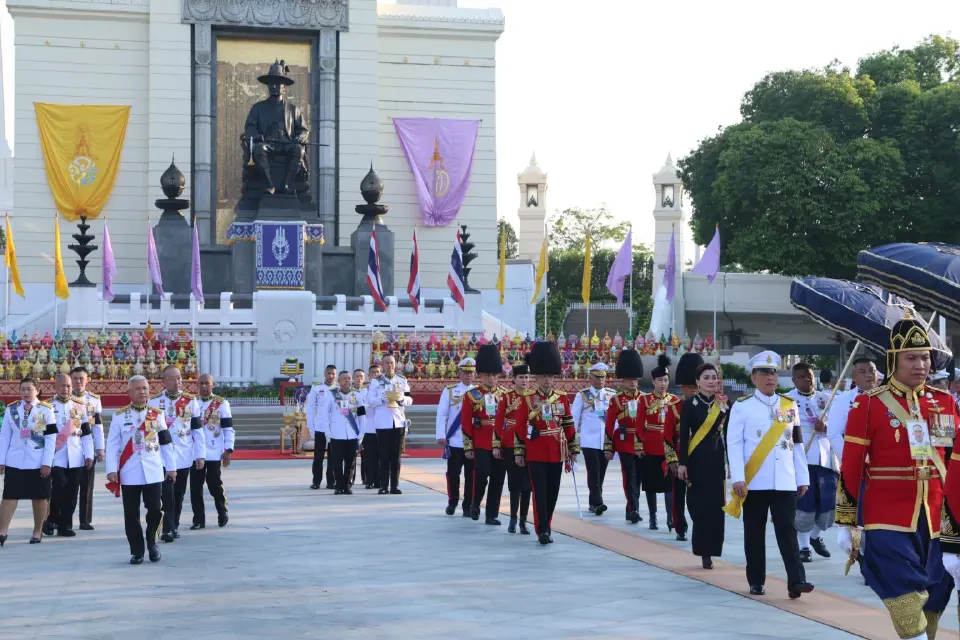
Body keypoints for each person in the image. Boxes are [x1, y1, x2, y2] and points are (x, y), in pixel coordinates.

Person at [839, 318, 957, 640]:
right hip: (887, 517)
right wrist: (846, 518)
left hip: (936, 516)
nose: (921, 365)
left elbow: (949, 458)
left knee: (936, 589)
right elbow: (850, 464)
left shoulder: (942, 402)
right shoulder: (869, 403)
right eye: (911, 358)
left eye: (925, 357)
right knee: (903, 588)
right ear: (893, 360)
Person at [725, 350, 814, 599]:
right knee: (754, 533)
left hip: (784, 480)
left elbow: (796, 443)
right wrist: (738, 478)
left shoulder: (788, 405)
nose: (770, 378)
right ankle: (756, 580)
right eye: (764, 373)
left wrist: (802, 477)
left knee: (788, 531)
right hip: (755, 481)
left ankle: (797, 581)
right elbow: (733, 444)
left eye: (773, 372)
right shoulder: (743, 407)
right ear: (754, 378)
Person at [105, 375, 177, 564]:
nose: (142, 391)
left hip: (153, 469)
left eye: (145, 388)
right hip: (129, 471)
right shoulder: (119, 416)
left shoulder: (157, 414)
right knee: (131, 513)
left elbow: (166, 443)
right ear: (129, 392)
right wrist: (111, 469)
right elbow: (112, 445)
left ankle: (152, 543)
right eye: (137, 389)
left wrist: (171, 467)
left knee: (155, 510)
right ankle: (137, 550)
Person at [513, 341, 579, 545]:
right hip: (535, 450)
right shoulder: (527, 399)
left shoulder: (562, 398)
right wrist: (519, 451)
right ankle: (542, 528)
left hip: (557, 451)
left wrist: (573, 448)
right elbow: (519, 426)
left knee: (553, 492)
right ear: (537, 377)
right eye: (543, 376)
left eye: (550, 376)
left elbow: (568, 423)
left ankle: (548, 524)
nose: (547, 380)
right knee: (539, 491)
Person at [676, 363, 729, 569]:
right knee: (698, 506)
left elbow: (732, 435)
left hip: (716, 461)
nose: (710, 381)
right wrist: (682, 463)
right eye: (706, 377)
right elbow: (683, 436)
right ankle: (701, 548)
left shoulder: (724, 404)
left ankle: (712, 550)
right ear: (698, 381)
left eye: (713, 377)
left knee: (716, 507)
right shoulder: (689, 405)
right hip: (696, 461)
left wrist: (733, 463)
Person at [786, 362, 838, 562]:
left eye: (809, 375)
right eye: (801, 377)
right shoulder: (787, 400)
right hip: (802, 458)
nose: (807, 379)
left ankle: (815, 537)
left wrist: (826, 426)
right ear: (793, 380)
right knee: (805, 505)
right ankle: (804, 546)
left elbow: (840, 425)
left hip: (826, 458)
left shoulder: (828, 398)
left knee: (826, 505)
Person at [148, 365, 203, 542]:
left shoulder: (190, 401)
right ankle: (167, 528)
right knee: (165, 493)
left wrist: (199, 455)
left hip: (183, 454)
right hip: (163, 456)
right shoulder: (154, 402)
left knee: (178, 493)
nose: (177, 381)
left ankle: (174, 524)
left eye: (179, 378)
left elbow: (197, 431)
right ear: (163, 382)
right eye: (172, 379)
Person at [0, 378, 58, 546]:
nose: (26, 392)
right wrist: (1, 459)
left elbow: (51, 438)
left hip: (37, 460)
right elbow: (4, 437)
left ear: (37, 390)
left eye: (29, 389)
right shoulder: (12, 409)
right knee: (9, 495)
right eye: (23, 389)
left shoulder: (46, 410)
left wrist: (47, 462)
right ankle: (2, 531)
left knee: (39, 497)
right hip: (15, 460)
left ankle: (37, 531)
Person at [242, 58, 308, 194]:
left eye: (277, 84)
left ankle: (288, 183)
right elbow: (250, 127)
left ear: (284, 87)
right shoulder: (258, 108)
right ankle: (269, 184)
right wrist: (257, 136)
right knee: (259, 149)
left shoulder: (293, 109)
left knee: (298, 150)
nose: (274, 87)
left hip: (287, 143)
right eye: (271, 84)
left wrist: (299, 137)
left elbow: (303, 129)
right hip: (268, 143)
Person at [44, 373, 93, 537]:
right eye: (62, 386)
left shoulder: (79, 406)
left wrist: (89, 455)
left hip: (76, 454)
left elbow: (86, 433)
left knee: (72, 491)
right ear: (55, 387)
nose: (66, 389)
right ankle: (51, 518)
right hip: (56, 456)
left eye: (68, 386)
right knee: (58, 488)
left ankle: (65, 525)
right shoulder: (47, 406)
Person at [462, 344, 507, 524]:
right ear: (481, 375)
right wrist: (468, 446)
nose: (491, 379)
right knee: (481, 475)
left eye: (494, 375)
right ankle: (475, 503)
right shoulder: (472, 395)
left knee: (497, 479)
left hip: (500, 442)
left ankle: (492, 514)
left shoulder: (504, 395)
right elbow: (466, 422)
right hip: (480, 441)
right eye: (488, 375)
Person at [604, 350, 645, 524]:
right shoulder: (616, 400)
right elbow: (610, 424)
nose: (633, 383)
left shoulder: (644, 399)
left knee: (639, 479)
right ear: (623, 380)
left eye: (635, 380)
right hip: (624, 441)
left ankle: (631, 508)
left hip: (641, 444)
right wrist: (608, 447)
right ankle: (634, 508)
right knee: (629, 477)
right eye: (630, 380)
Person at [641, 354, 680, 530]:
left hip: (669, 449)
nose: (663, 383)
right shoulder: (644, 400)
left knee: (669, 487)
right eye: (659, 380)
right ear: (653, 381)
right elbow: (639, 423)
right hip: (650, 446)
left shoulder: (674, 401)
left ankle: (671, 518)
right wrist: (639, 445)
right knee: (650, 485)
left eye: (665, 380)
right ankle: (652, 517)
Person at [190, 373, 234, 529]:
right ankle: (198, 519)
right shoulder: (192, 402)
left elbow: (228, 428)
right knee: (195, 487)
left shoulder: (221, 404)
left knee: (214, 484)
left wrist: (228, 450)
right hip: (196, 452)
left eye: (206, 383)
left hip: (214, 450)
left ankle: (222, 512)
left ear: (212, 384)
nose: (203, 386)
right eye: (200, 383)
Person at [668, 352, 704, 541]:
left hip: (701, 459)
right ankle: (679, 526)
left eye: (693, 387)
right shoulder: (674, 407)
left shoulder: (710, 407)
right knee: (678, 496)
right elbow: (667, 436)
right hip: (680, 457)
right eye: (688, 387)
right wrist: (672, 459)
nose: (691, 391)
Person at [367, 355, 413, 494]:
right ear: (382, 365)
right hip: (382, 422)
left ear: (396, 364)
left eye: (392, 363)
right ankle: (383, 485)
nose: (389, 365)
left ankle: (394, 485)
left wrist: (402, 399)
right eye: (387, 363)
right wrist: (381, 398)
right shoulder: (376, 382)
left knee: (396, 456)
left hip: (398, 421)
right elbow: (370, 400)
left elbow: (410, 399)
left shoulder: (402, 380)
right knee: (384, 456)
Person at [571, 362, 613, 516]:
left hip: (605, 441)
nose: (600, 381)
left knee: (601, 472)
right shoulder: (582, 395)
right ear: (590, 378)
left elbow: (614, 420)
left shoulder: (611, 394)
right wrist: (571, 440)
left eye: (603, 378)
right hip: (589, 440)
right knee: (593, 470)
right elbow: (574, 419)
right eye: (597, 377)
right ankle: (598, 502)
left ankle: (593, 503)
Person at [436, 357, 475, 516]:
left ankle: (468, 505)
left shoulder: (479, 392)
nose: (468, 376)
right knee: (453, 474)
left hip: (473, 441)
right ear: (459, 373)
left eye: (471, 373)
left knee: (471, 475)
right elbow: (442, 414)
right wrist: (441, 434)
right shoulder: (450, 390)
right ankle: (452, 502)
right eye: (465, 373)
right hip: (455, 439)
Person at [497, 364, 532, 534]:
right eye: (521, 377)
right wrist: (496, 444)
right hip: (510, 442)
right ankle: (512, 518)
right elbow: (498, 422)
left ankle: (524, 521)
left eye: (526, 377)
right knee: (514, 484)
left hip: (530, 443)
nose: (524, 381)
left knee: (528, 485)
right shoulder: (507, 397)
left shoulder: (534, 398)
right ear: (514, 379)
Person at [826, 357, 878, 460]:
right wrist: (849, 460)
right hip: (858, 458)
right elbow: (834, 434)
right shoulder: (843, 400)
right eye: (862, 372)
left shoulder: (889, 398)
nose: (868, 375)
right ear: (853, 377)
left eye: (872, 371)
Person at [71, 367, 103, 532]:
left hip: (87, 449)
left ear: (87, 379)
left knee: (87, 486)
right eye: (75, 378)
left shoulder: (94, 400)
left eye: (81, 378)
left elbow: (97, 426)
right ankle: (61, 519)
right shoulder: (65, 399)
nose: (78, 381)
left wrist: (100, 448)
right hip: (70, 448)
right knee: (67, 487)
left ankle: (85, 520)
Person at [321, 371, 363, 495]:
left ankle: (347, 485)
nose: (347, 381)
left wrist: (361, 433)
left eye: (349, 378)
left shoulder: (357, 394)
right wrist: (327, 432)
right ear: (338, 381)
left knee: (350, 462)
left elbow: (362, 414)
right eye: (344, 379)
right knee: (337, 462)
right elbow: (325, 414)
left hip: (352, 433)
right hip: (336, 433)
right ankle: (339, 486)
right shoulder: (331, 395)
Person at [306, 364, 338, 490]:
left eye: (333, 374)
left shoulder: (339, 389)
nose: (331, 376)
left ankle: (331, 481)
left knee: (333, 456)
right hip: (320, 427)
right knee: (318, 456)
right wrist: (311, 427)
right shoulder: (317, 388)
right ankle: (316, 481)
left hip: (334, 428)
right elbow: (310, 408)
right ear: (325, 374)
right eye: (329, 373)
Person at [359, 364, 381, 490]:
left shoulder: (384, 389)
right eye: (373, 372)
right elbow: (360, 409)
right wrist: (371, 405)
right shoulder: (363, 391)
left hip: (382, 428)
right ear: (369, 374)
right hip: (368, 428)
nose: (375, 374)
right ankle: (369, 480)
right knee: (368, 457)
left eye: (378, 372)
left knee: (381, 456)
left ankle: (379, 481)